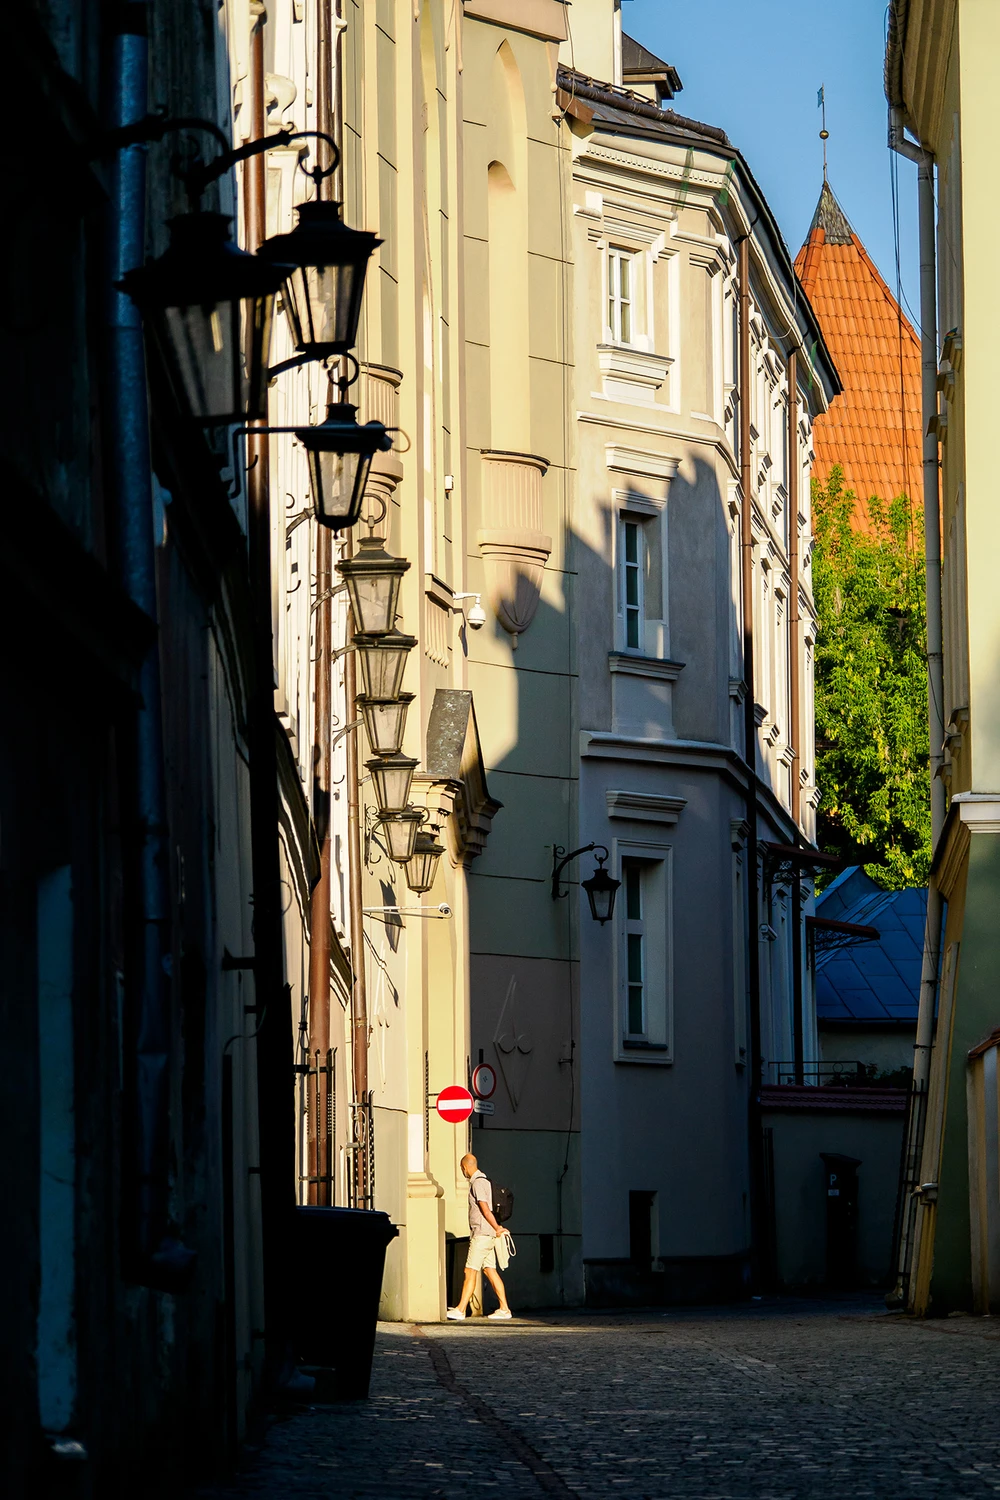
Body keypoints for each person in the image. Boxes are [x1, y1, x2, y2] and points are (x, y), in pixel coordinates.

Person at [446, 1153, 512, 1321]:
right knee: (490, 1271)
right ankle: (504, 1309)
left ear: (465, 1167)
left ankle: (460, 1309)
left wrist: (497, 1228)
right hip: (487, 1234)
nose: (463, 1171)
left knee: (470, 1270)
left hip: (482, 1234)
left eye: (462, 1169)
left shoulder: (478, 1183)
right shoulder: (485, 1181)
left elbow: (485, 1209)